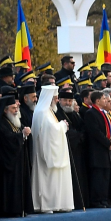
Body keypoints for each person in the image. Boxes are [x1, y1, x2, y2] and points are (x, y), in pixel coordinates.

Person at [30, 85, 75, 213]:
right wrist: (62, 125)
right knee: (47, 180)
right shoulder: (42, 112)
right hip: (45, 153)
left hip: (51, 150)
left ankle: (57, 204)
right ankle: (47, 205)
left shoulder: (48, 111)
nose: (56, 100)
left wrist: (60, 126)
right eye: (55, 98)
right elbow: (50, 131)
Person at [0, 93, 31, 218]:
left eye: (16, 108)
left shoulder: (13, 121)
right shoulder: (1, 123)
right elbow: (7, 141)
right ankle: (9, 210)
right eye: (13, 108)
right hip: (6, 165)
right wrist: (22, 135)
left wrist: (23, 133)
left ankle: (18, 208)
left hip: (17, 163)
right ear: (5, 110)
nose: (16, 110)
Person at [82, 89, 111, 207]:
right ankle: (96, 200)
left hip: (106, 149)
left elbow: (110, 129)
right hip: (97, 150)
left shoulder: (104, 113)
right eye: (104, 99)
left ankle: (104, 199)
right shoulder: (91, 113)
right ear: (97, 101)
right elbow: (95, 132)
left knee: (105, 176)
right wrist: (108, 142)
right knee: (98, 176)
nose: (106, 101)